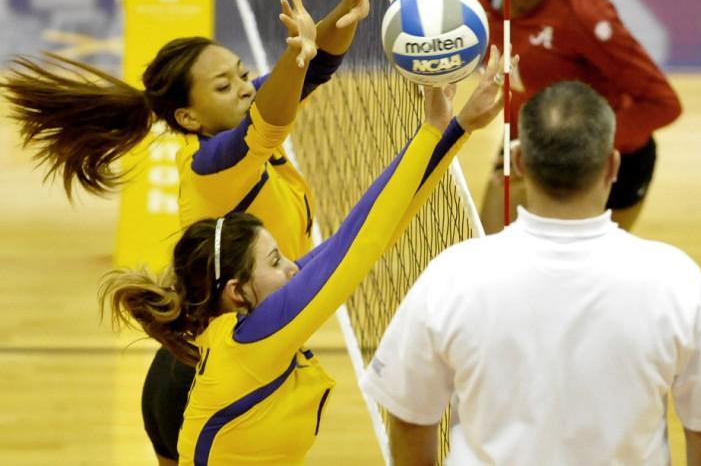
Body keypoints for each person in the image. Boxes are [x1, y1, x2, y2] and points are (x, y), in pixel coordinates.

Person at [1, 0, 371, 465]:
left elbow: (315, 70)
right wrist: (296, 55)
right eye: (225, 85)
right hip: (199, 383)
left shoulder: (241, 130)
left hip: (202, 365)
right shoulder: (215, 166)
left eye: (243, 75)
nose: (245, 88)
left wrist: (346, 10)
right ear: (190, 118)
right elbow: (277, 109)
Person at [98, 47, 505, 465]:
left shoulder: (243, 321)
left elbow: (362, 237)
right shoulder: (260, 333)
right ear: (238, 292)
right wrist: (434, 130)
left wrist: (454, 129)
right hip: (179, 401)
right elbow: (357, 244)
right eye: (275, 261)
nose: (294, 265)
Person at [360, 81, 701, 466]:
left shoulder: (451, 275)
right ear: (613, 167)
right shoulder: (676, 280)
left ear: (518, 164)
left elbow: (411, 420)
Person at [474, 0, 682, 233]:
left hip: (605, 160)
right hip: (529, 139)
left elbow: (664, 104)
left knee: (587, 273)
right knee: (486, 248)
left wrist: (579, 144)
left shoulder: (584, 17)